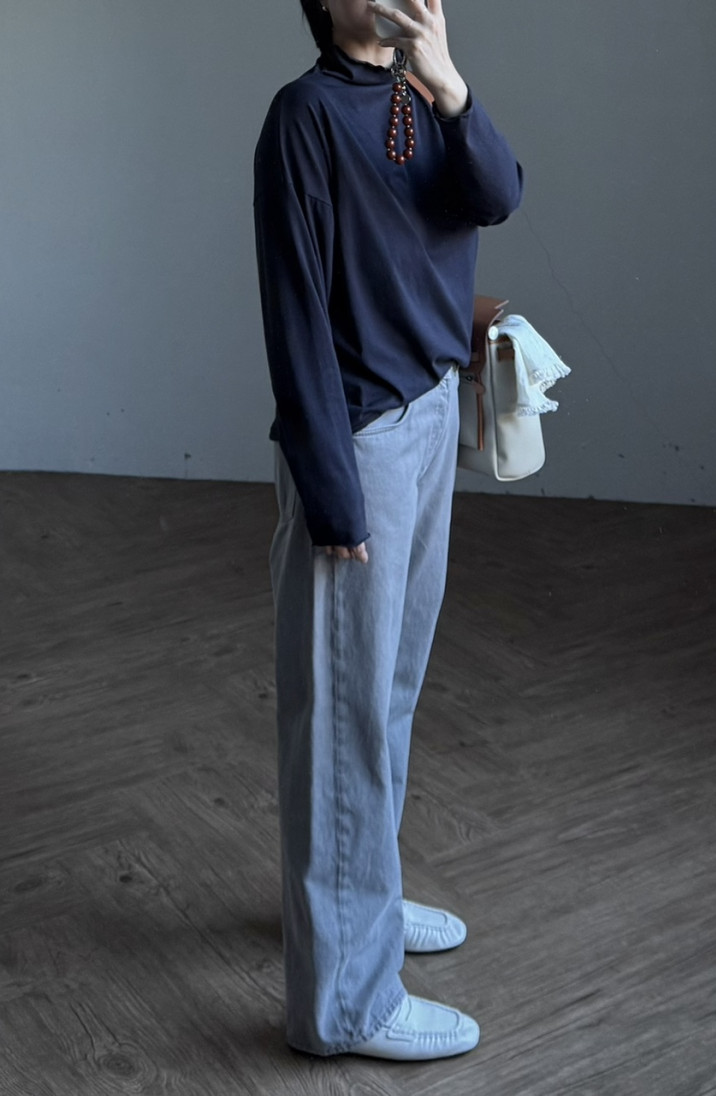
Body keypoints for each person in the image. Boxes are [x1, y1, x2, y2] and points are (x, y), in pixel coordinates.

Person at [253, 0, 522, 1061]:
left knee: (388, 693)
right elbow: (293, 313)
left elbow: (497, 194)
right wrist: (331, 492)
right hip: (359, 440)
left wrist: (451, 85)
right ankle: (345, 1005)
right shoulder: (305, 116)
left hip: (428, 416)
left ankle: (360, 903)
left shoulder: (417, 95)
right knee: (342, 715)